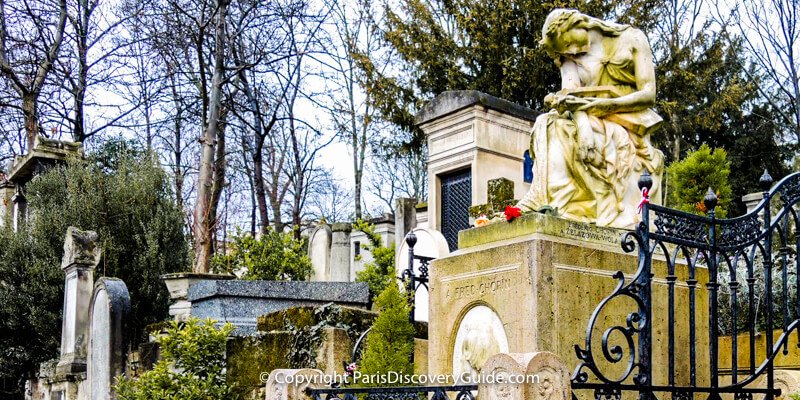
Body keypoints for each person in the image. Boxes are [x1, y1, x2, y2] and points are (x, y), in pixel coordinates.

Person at [517, 9, 664, 228]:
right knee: (546, 123)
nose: (570, 51)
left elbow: (648, 94)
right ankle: (559, 205)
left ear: (578, 23)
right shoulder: (568, 58)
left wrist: (605, 105)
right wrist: (583, 126)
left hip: (625, 121)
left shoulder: (632, 39)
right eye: (564, 50)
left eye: (569, 43)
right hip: (589, 118)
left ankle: (578, 207)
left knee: (561, 129)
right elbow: (571, 96)